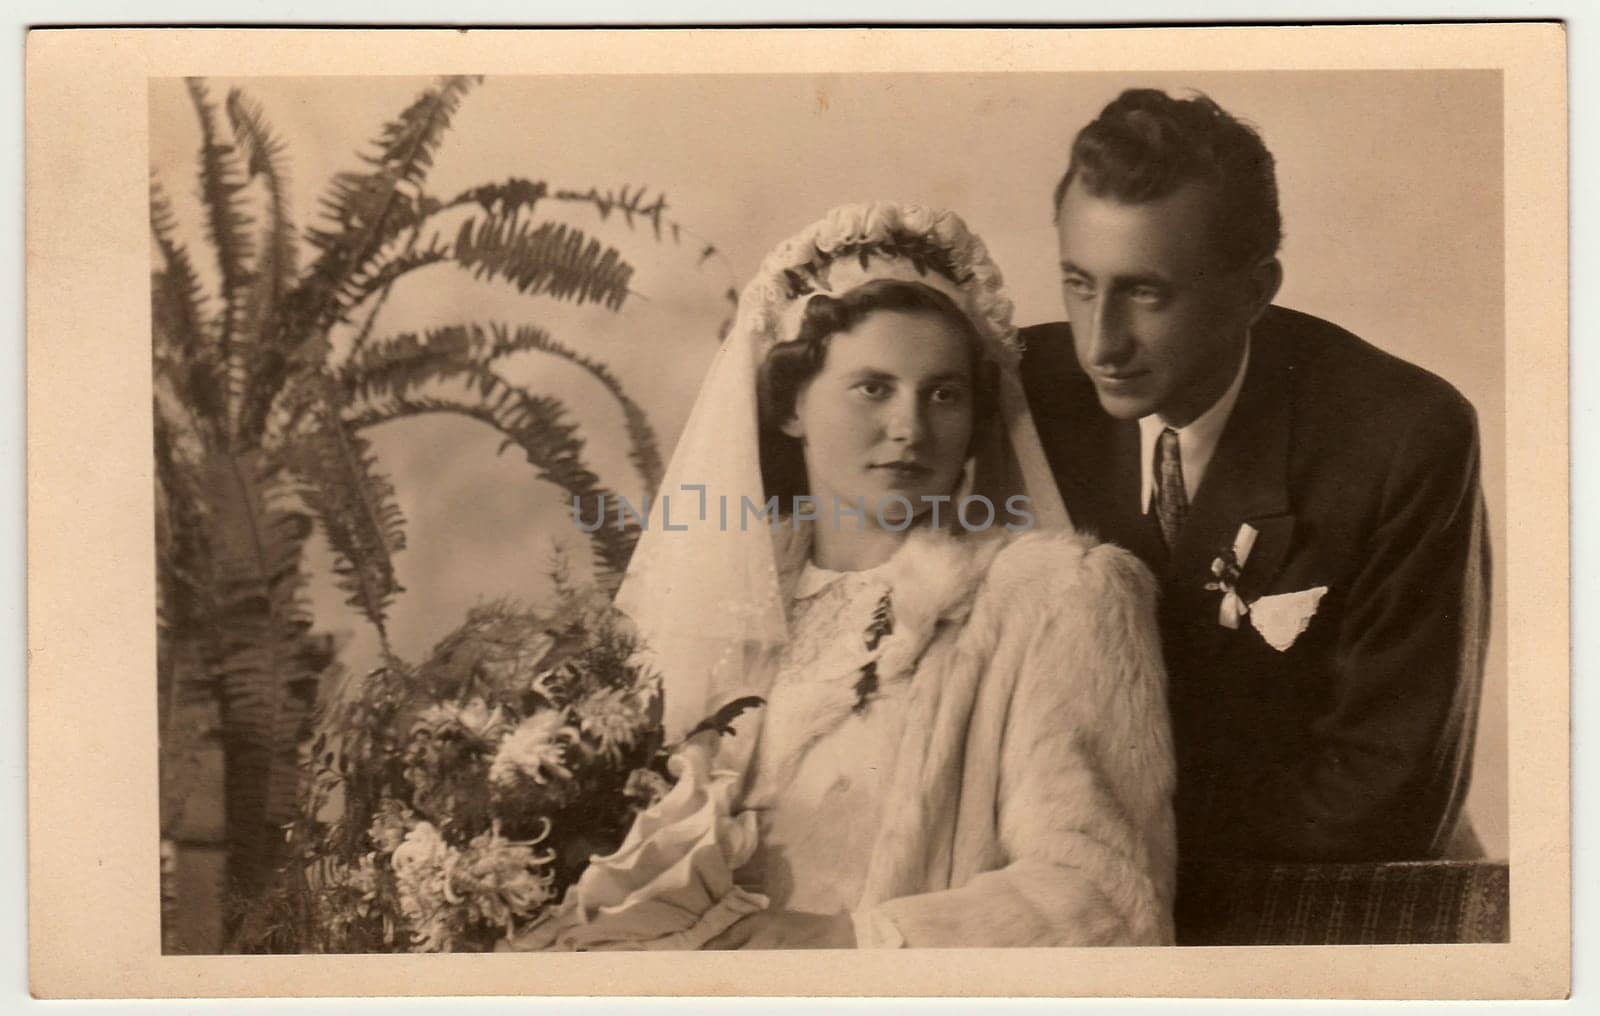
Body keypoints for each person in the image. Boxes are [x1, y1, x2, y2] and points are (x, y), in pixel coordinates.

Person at [593, 203, 1177, 949]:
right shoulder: (721, 601)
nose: (910, 428)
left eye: (944, 393)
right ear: (793, 405)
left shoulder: (1059, 598)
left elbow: (1106, 902)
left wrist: (855, 943)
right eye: (873, 388)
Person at [1020, 89, 1491, 916]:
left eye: (1147, 294)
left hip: (1314, 903)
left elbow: (1386, 790)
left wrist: (1106, 827)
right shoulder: (1020, 392)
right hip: (1073, 887)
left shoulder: (1404, 436)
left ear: (1254, 290)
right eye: (1078, 284)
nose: (1101, 344)